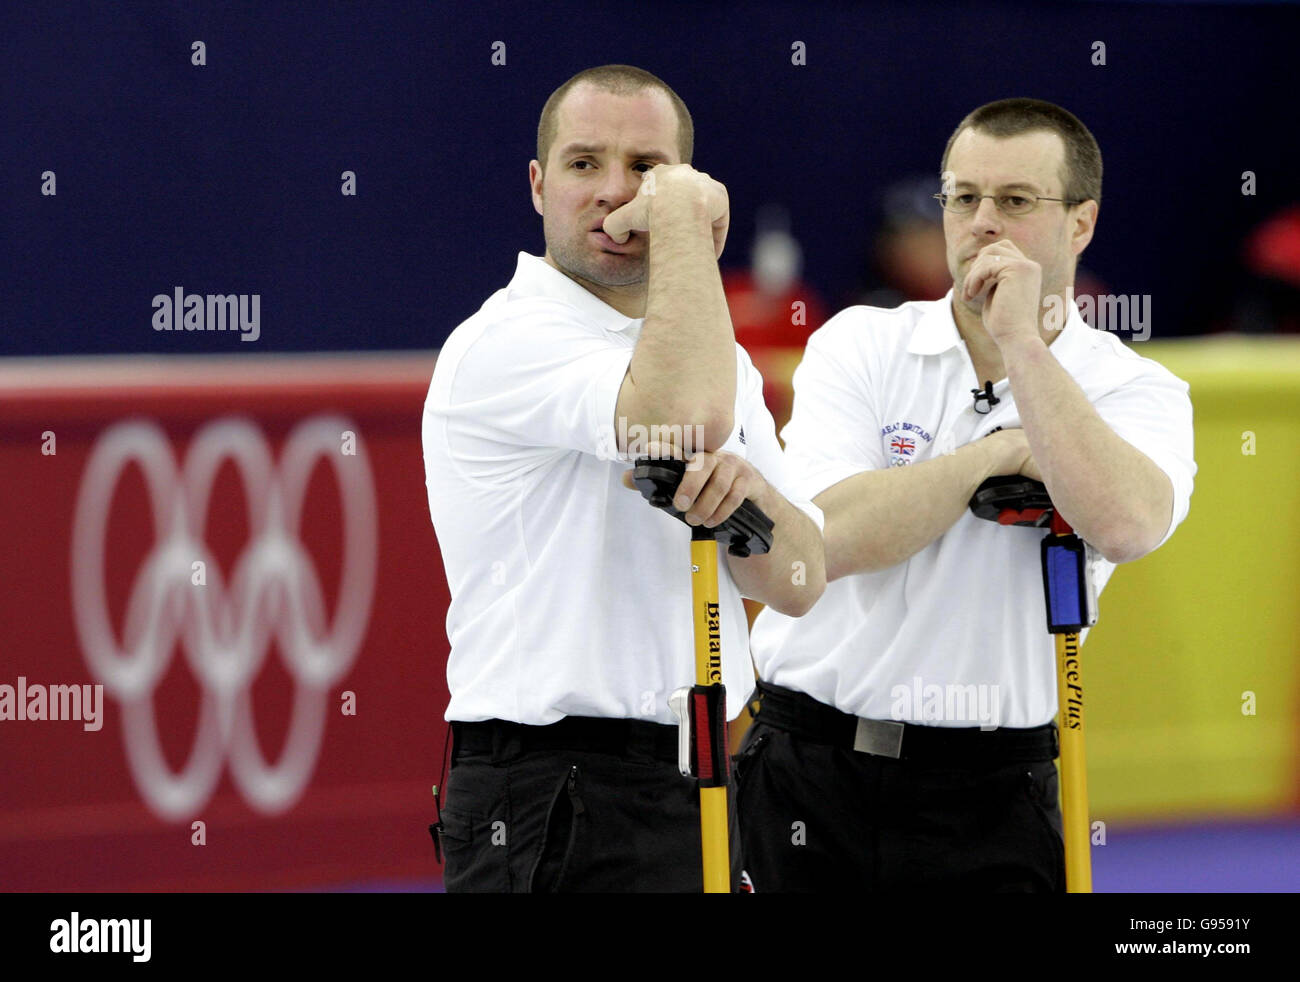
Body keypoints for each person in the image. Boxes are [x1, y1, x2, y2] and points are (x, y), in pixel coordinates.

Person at [734, 98, 1196, 892]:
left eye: (1016, 201)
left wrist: (1021, 341)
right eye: (963, 197)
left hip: (995, 788)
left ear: (1080, 223)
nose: (983, 223)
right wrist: (992, 461)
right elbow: (825, 543)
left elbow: (1125, 524)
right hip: (810, 768)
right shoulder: (861, 343)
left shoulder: (1132, 387)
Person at [421, 64, 825, 892]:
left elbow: (797, 579)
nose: (615, 192)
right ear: (537, 186)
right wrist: (681, 222)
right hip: (554, 788)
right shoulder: (503, 341)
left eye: (646, 169)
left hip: (708, 774)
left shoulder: (720, 362)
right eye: (583, 164)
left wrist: (748, 502)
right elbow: (677, 421)